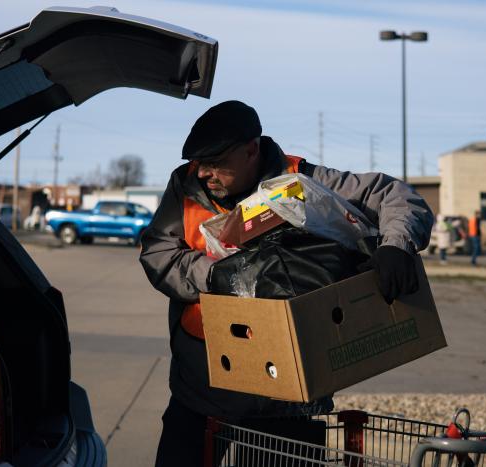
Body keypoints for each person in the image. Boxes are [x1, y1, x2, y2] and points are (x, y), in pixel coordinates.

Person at [139, 100, 434, 467]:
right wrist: (214, 274)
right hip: (204, 386)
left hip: (286, 396)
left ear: (252, 150)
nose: (203, 173)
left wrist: (396, 246)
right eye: (199, 163)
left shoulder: (300, 180)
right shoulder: (183, 188)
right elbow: (157, 253)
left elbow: (395, 196)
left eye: (215, 163)